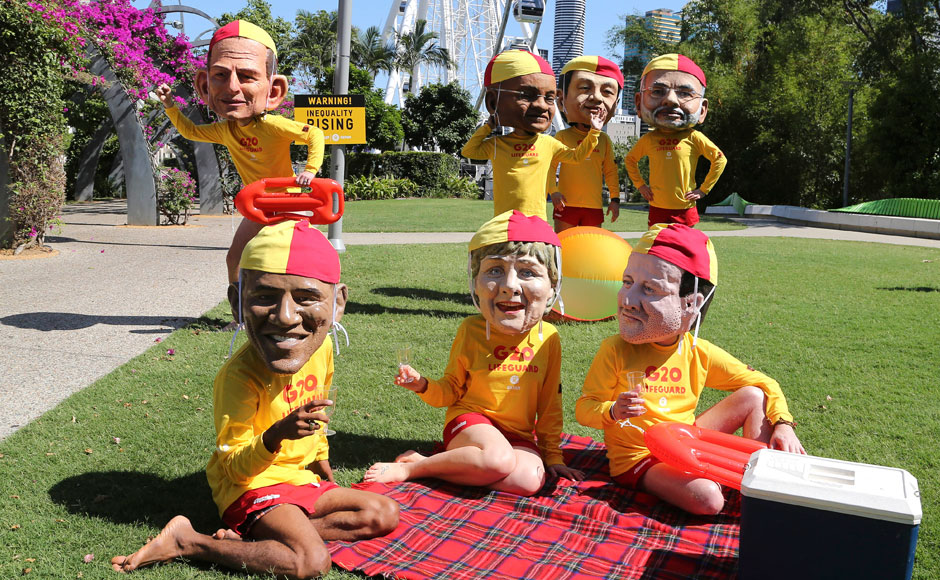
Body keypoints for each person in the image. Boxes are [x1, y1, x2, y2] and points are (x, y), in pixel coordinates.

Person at [112, 220, 399, 578]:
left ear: (337, 303)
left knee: (384, 513)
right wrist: (276, 434)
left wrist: (321, 455)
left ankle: (254, 539)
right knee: (310, 563)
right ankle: (189, 541)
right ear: (237, 303)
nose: (285, 317)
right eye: (264, 297)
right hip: (250, 486)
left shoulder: (321, 348)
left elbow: (319, 406)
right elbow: (232, 467)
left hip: (298, 478)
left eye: (307, 297)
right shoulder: (238, 377)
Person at [575, 223, 804, 515]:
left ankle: (764, 482)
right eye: (627, 282)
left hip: (684, 439)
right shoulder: (614, 350)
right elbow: (584, 409)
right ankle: (727, 478)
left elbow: (763, 383)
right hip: (640, 456)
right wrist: (613, 411)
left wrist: (783, 423)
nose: (628, 301)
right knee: (708, 498)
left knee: (753, 396)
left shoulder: (697, 352)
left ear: (691, 304)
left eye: (649, 288)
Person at [364, 210, 584, 496]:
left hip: (516, 435)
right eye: (494, 271)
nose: (509, 286)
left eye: (528, 272)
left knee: (529, 481)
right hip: (469, 423)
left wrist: (552, 456)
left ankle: (461, 466)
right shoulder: (471, 330)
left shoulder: (549, 338)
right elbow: (451, 390)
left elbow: (549, 402)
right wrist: (423, 386)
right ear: (475, 282)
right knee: (496, 458)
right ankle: (413, 467)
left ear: (552, 283)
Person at [154, 20, 326, 284]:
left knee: (291, 263)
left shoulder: (274, 126)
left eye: (246, 76)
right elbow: (190, 132)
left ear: (273, 90)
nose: (232, 87)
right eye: (221, 75)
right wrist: (169, 106)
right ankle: (240, 317)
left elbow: (314, 134)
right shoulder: (226, 130)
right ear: (205, 86)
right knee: (235, 259)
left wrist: (310, 170)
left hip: (289, 205)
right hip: (258, 206)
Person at [461, 49, 607, 219]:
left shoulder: (548, 143)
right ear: (493, 102)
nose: (542, 106)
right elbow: (468, 152)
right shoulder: (497, 144)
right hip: (505, 222)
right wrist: (488, 127)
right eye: (527, 96)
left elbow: (577, 156)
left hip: (537, 223)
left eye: (549, 98)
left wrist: (594, 132)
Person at [624, 54, 727, 228]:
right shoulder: (649, 139)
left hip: (684, 207)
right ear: (639, 102)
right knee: (656, 247)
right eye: (657, 91)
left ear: (702, 109)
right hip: (657, 206)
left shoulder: (694, 137)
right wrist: (641, 186)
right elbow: (630, 160)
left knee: (685, 248)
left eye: (685, 93)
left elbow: (720, 159)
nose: (670, 100)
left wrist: (703, 190)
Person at [548, 55, 624, 232]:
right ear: (561, 99)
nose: (596, 98)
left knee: (590, 248)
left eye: (607, 92)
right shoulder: (562, 136)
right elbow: (550, 167)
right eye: (584, 88)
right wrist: (554, 191)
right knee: (563, 246)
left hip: (594, 206)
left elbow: (611, 171)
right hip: (566, 204)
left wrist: (615, 199)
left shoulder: (604, 140)